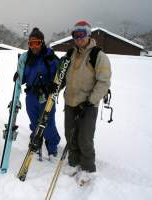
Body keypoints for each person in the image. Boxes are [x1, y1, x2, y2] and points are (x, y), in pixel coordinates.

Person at [62, 21, 112, 184]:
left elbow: (104, 82)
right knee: (70, 135)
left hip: (88, 105)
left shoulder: (98, 55)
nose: (78, 38)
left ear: (88, 35)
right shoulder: (70, 54)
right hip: (70, 102)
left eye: (82, 34)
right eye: (75, 35)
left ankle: (88, 168)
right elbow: (61, 76)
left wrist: (91, 101)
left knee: (85, 138)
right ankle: (74, 162)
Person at [16, 27, 60, 160]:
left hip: (46, 96)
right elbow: (23, 78)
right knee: (34, 122)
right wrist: (18, 76)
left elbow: (60, 77)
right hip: (31, 96)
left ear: (42, 42)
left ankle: (52, 146)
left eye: (37, 43)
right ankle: (36, 140)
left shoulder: (50, 58)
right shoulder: (27, 59)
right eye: (31, 43)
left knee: (48, 123)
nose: (34, 46)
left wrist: (55, 85)